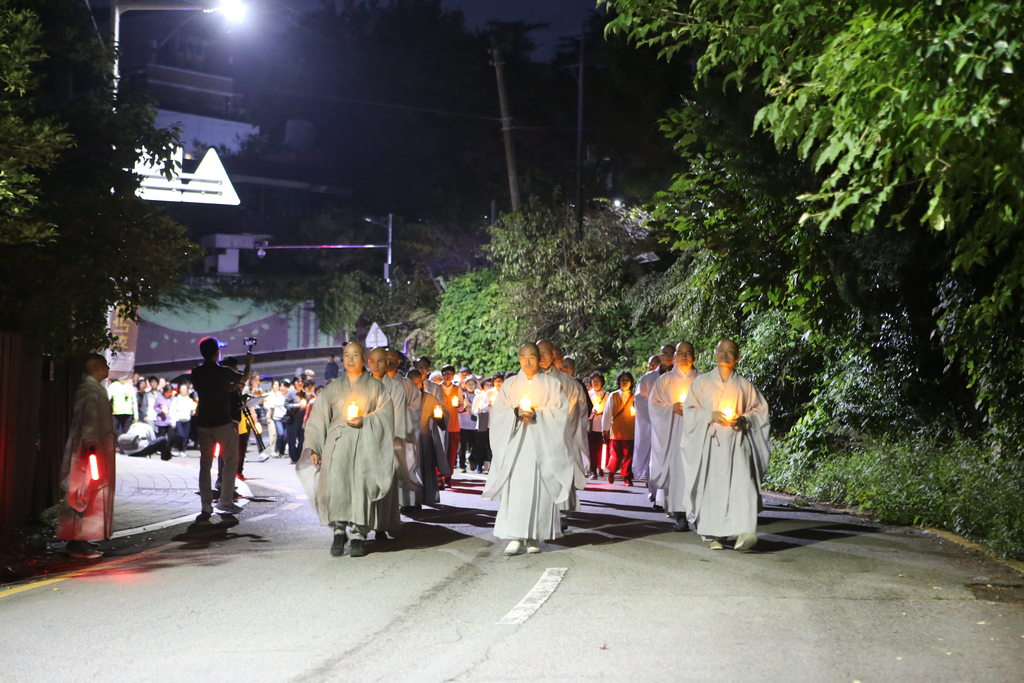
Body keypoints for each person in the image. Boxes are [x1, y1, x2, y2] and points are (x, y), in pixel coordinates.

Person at [297, 343, 395, 558]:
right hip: (338, 443)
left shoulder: (375, 387)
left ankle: (359, 534)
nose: (350, 359)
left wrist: (366, 420)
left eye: (355, 355)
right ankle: (339, 531)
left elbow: (386, 413)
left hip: (364, 443)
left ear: (363, 358)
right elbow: (318, 418)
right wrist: (314, 447)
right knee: (337, 486)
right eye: (346, 355)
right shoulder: (333, 388)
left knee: (360, 486)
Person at [682, 339, 770, 551]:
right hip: (712, 445)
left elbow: (760, 411)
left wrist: (745, 419)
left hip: (738, 444)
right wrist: (708, 415)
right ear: (714, 354)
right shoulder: (701, 383)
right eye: (720, 350)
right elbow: (689, 410)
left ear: (737, 357)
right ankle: (715, 535)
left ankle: (746, 531)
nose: (724, 354)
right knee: (713, 490)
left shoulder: (744, 385)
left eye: (730, 351)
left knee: (744, 486)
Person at [483, 343, 570, 555]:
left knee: (539, 489)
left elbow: (560, 412)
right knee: (516, 488)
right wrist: (515, 412)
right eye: (524, 358)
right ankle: (515, 536)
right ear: (519, 359)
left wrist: (538, 414)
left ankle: (534, 537)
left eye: (532, 357)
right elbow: (498, 412)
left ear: (539, 358)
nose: (528, 362)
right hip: (517, 446)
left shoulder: (551, 383)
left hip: (541, 444)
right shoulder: (511, 384)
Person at [58, 354, 116, 559]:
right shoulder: (90, 390)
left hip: (95, 448)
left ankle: (82, 540)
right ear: (97, 367)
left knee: (89, 491)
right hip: (89, 450)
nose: (108, 368)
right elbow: (88, 417)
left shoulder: (93, 389)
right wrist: (90, 440)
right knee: (84, 491)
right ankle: (77, 542)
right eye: (106, 365)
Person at [190, 338, 252, 521]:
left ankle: (206, 505)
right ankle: (225, 500)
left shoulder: (196, 372)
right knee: (231, 459)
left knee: (205, 464)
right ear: (217, 352)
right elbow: (244, 378)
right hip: (222, 422)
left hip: (203, 423)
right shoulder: (223, 371)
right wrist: (248, 361)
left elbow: (209, 388)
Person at [537, 340, 589, 529]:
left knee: (560, 470)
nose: (541, 358)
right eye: (538, 353)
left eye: (545, 353)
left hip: (561, 435)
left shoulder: (568, 382)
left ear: (553, 356)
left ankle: (561, 512)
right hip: (537, 435)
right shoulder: (528, 379)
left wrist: (565, 421)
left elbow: (580, 409)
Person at [649, 342, 700, 524]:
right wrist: (671, 409)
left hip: (696, 434)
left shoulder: (703, 380)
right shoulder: (664, 380)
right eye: (681, 353)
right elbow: (653, 405)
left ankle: (697, 509)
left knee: (696, 469)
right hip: (673, 434)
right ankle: (679, 512)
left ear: (694, 357)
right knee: (678, 470)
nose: (684, 357)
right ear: (675, 357)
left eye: (688, 353)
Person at [368, 346, 412, 540]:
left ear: (387, 364)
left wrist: (392, 440)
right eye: (373, 361)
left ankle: (381, 525)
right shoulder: (360, 385)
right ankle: (361, 524)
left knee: (385, 485)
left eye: (381, 361)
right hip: (364, 442)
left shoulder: (395, 388)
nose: (377, 365)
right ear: (367, 363)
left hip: (387, 442)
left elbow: (399, 418)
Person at [634, 346, 676, 507]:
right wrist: (658, 411)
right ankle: (655, 490)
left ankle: (672, 491)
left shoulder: (680, 377)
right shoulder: (648, 378)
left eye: (671, 354)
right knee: (655, 458)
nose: (668, 357)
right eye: (664, 354)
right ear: (660, 356)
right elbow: (640, 400)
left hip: (675, 423)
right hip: (654, 424)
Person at [406, 368, 449, 509]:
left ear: (421, 383)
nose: (414, 387)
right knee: (407, 471)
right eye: (411, 383)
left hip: (423, 440)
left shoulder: (429, 398)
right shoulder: (400, 397)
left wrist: (439, 418)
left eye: (417, 384)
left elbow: (442, 413)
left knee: (422, 470)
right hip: (405, 440)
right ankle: (406, 501)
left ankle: (419, 498)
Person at [601, 371, 636, 485]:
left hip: (631, 430)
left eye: (627, 380)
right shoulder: (613, 395)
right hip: (616, 430)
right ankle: (611, 471)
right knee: (616, 454)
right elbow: (607, 413)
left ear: (631, 382)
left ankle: (627, 476)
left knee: (629, 455)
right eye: (622, 380)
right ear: (619, 382)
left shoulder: (635, 397)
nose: (625, 382)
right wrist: (605, 428)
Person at [438, 365, 466, 486]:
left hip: (453, 424)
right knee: (440, 451)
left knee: (452, 452)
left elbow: (461, 407)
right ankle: (439, 477)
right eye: (445, 373)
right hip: (440, 424)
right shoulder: (437, 388)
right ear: (442, 375)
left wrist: (459, 405)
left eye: (450, 373)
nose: (447, 376)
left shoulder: (457, 389)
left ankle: (448, 476)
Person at [470, 376, 497, 473]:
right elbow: (474, 411)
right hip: (482, 424)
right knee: (480, 445)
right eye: (487, 385)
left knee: (490, 446)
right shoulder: (479, 397)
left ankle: (490, 464)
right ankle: (478, 463)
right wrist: (485, 407)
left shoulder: (496, 394)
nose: (489, 387)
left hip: (493, 424)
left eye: (490, 384)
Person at [587, 372, 609, 479]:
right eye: (593, 381)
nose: (595, 383)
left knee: (602, 447)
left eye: (598, 381)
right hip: (591, 425)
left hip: (602, 424)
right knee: (592, 448)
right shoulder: (588, 394)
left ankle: (601, 467)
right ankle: (593, 469)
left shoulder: (607, 395)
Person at [457, 377, 478, 472]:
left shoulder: (478, 395)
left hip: (474, 424)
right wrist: (465, 407)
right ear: (465, 385)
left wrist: (472, 408)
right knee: (463, 446)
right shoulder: (462, 395)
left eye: (472, 384)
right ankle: (462, 465)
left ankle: (472, 458)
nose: (470, 386)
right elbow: (458, 408)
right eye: (468, 384)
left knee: (474, 444)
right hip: (463, 424)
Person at [169, 383, 195, 455]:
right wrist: (173, 421)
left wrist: (193, 411)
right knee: (180, 435)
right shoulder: (176, 399)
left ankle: (183, 450)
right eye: (182, 389)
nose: (184, 391)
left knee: (186, 436)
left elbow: (192, 412)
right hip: (178, 420)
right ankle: (177, 447)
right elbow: (172, 410)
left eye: (185, 389)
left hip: (187, 420)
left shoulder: (189, 400)